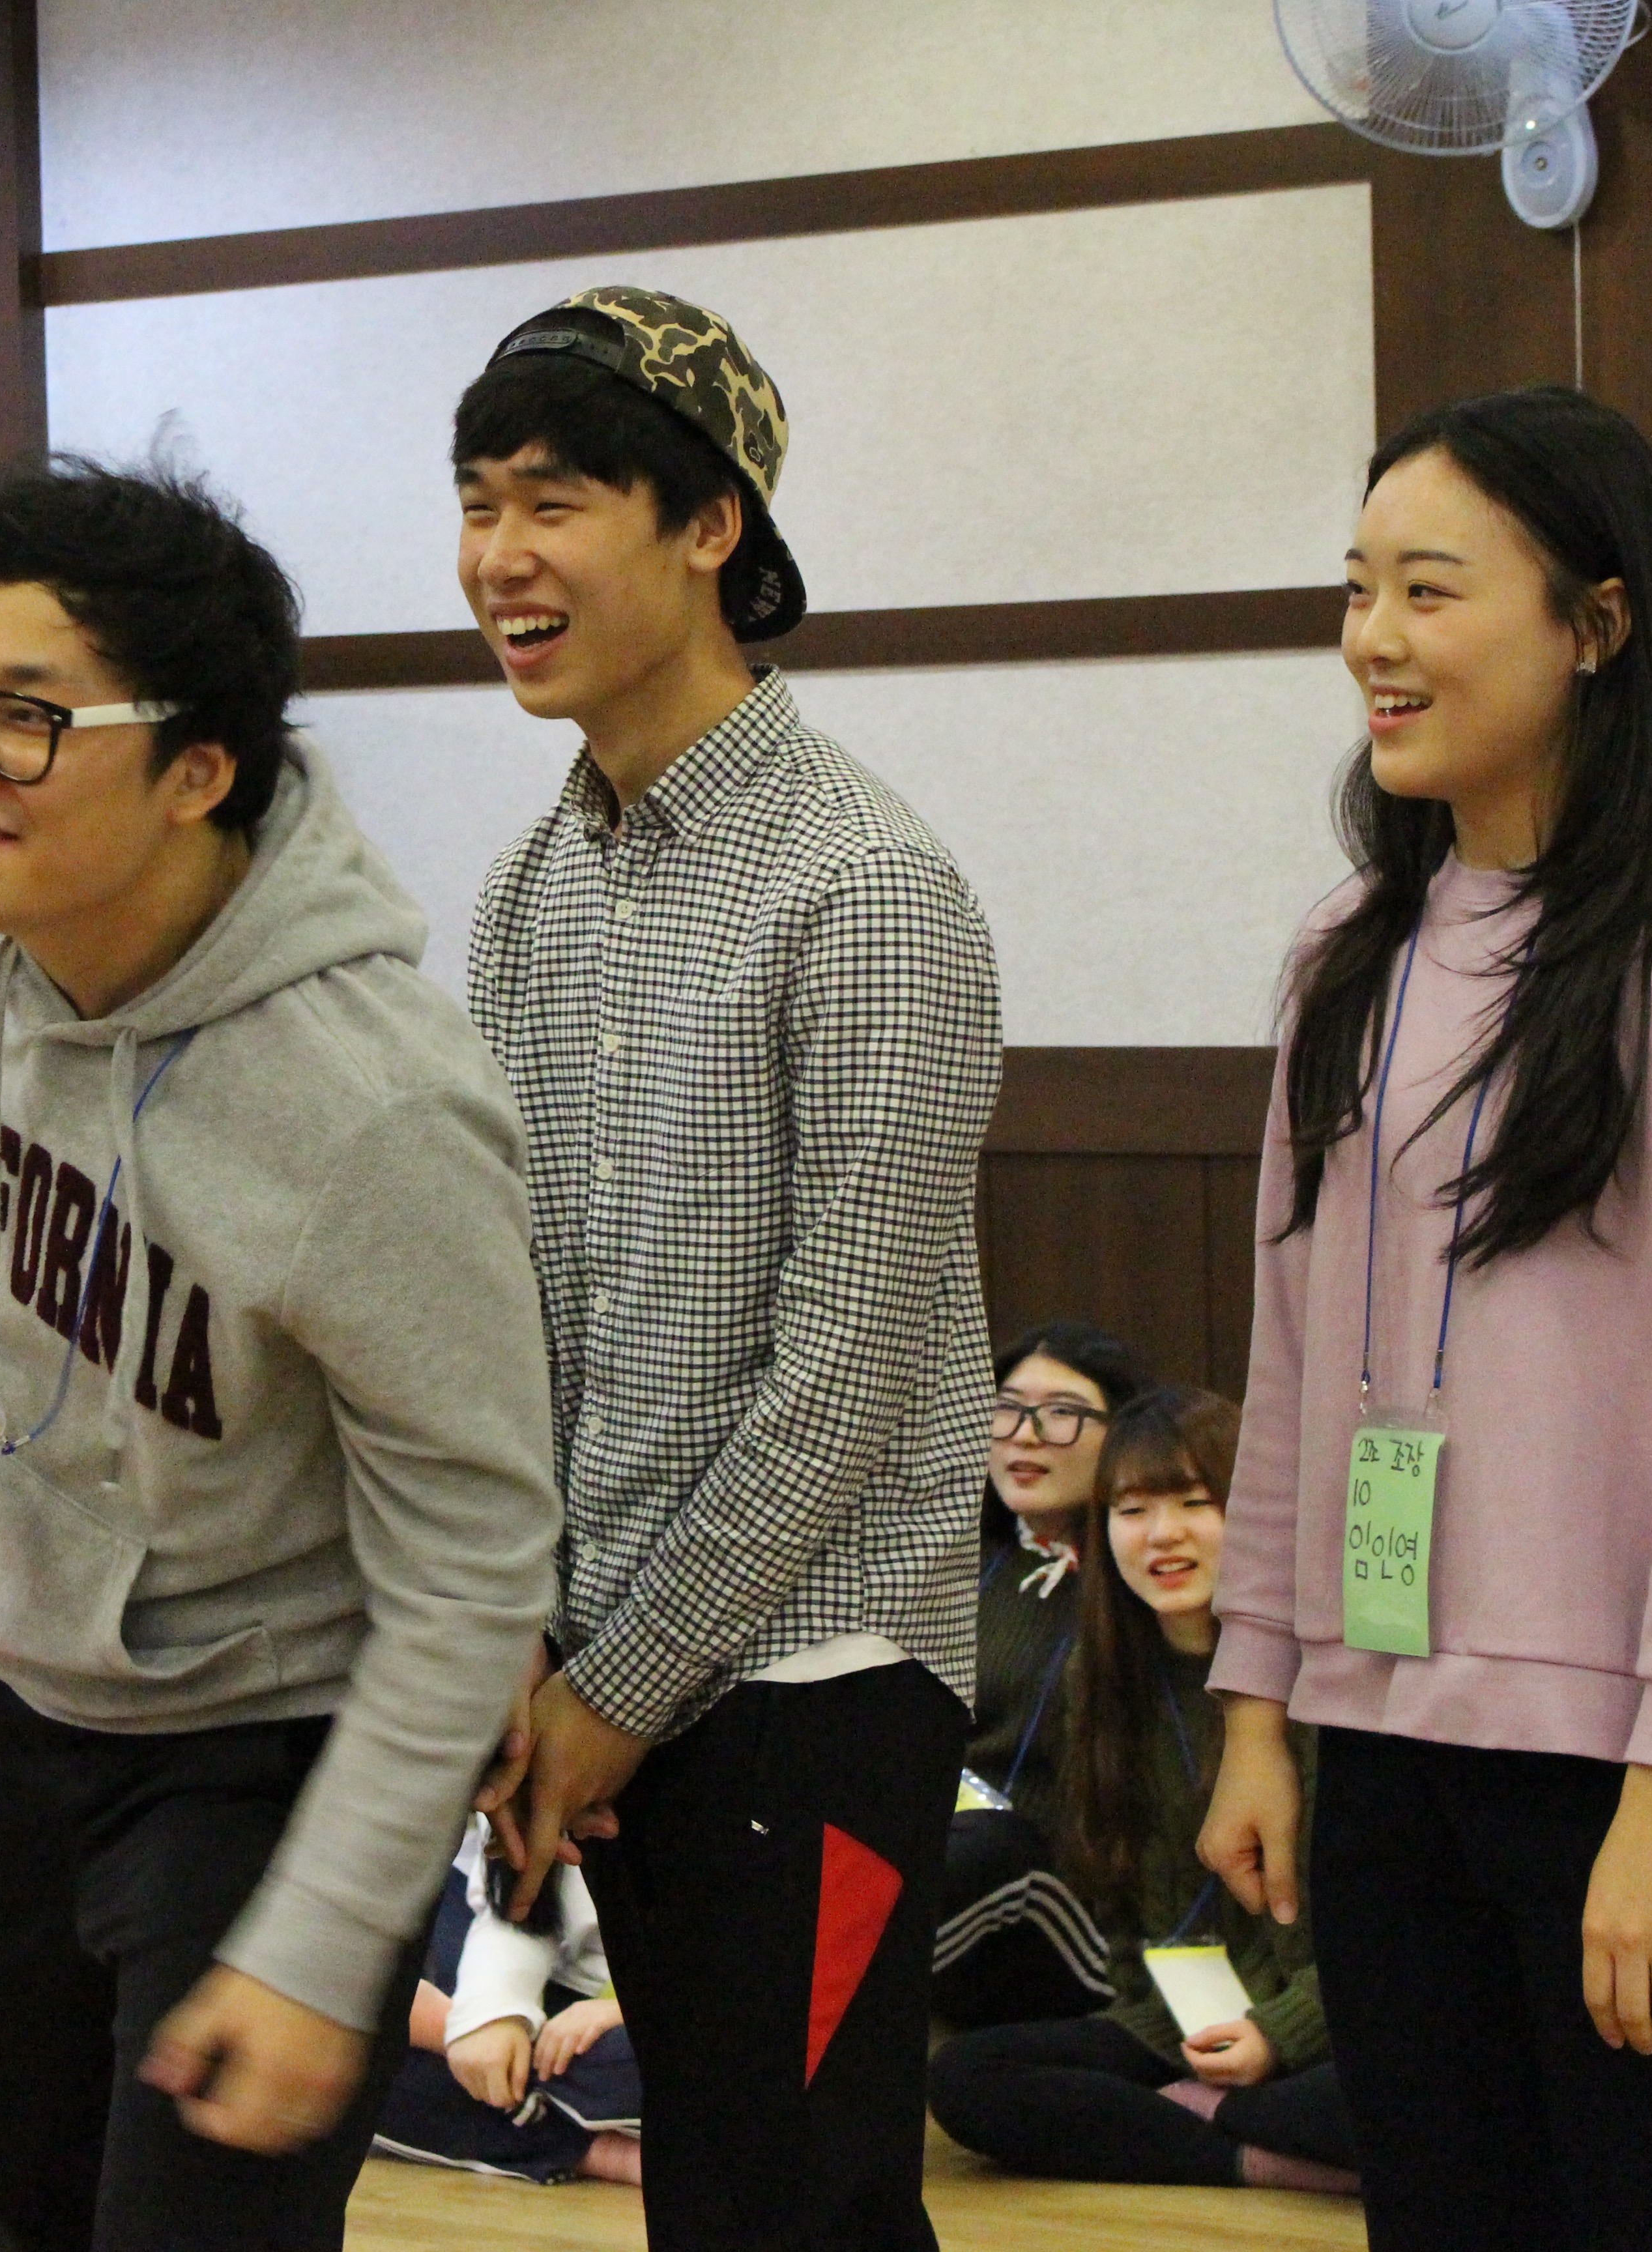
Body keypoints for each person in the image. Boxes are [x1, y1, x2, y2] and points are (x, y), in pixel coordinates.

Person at [0, 456, 560, 2251]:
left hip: (255, 1741)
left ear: (198, 769)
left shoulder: (373, 1107)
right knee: (28, 2204)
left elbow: (473, 1563)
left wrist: (321, 1939)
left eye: (21, 720)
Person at [1196, 385, 1652, 2251]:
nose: (1374, 639)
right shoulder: (1348, 955)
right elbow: (1291, 1359)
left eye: (1429, 591)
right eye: (1356, 589)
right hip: (1387, 1747)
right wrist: (1258, 1703)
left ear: (1595, 624)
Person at [456, 285, 1001, 2251]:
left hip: (815, 1680)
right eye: (476, 505)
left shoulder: (869, 885)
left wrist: (615, 1687)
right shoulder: (530, 889)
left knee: (807, 2203)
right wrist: (522, 1643)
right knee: (710, 2194)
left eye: (554, 502)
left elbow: (844, 1373)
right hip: (600, 1672)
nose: (499, 558)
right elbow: (500, 1314)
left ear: (710, 526)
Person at [929, 1387, 1360, 2195]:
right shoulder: (1101, 1678)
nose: (1162, 1535)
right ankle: (1246, 2149)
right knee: (968, 2076)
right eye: (1132, 1511)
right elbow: (1128, 1919)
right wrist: (1169, 2031)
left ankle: (1202, 2123)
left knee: (1400, 2087)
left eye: (1195, 1504)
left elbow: (1376, 1939)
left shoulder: (1316, 1681)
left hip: (1331, 2021)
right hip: (1186, 2022)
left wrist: (1277, 2035)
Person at [935, 1320, 1152, 2028]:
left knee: (992, 1853)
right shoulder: (950, 1566)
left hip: (1072, 1909)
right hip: (950, 1876)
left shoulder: (1148, 1582)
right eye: (1006, 1408)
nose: (1025, 1436)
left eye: (1062, 1413)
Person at [373, 1818, 643, 2186]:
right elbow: (516, 1912)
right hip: (533, 1985)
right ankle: (589, 2147)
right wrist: (489, 2017)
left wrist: (622, 2009)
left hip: (643, 2014)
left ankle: (498, 2074)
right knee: (345, 2065)